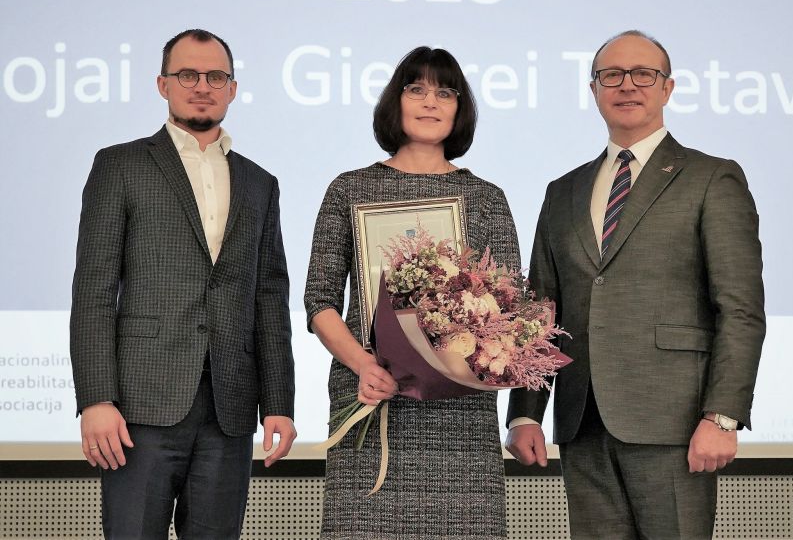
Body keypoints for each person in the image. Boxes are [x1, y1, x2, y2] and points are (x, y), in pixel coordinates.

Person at [506, 30, 765, 539]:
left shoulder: (712, 178)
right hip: (583, 422)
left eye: (643, 74)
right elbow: (540, 311)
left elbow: (740, 310)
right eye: (612, 75)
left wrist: (723, 416)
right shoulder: (563, 191)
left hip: (675, 423)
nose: (627, 85)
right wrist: (525, 414)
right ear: (594, 90)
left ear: (667, 88)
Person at [70, 28, 296, 539]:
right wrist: (96, 399)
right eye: (187, 74)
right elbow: (94, 293)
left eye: (215, 76)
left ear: (232, 88)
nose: (202, 86)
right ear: (163, 84)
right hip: (139, 408)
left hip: (229, 409)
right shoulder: (120, 165)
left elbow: (269, 298)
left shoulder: (260, 183)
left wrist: (279, 402)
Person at [304, 46, 519, 540]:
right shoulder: (349, 189)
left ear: (460, 109)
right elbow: (319, 300)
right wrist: (365, 365)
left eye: (445, 92)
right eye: (416, 89)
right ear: (394, 102)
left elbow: (507, 313)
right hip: (370, 399)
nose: (430, 102)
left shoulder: (486, 198)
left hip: (460, 415)